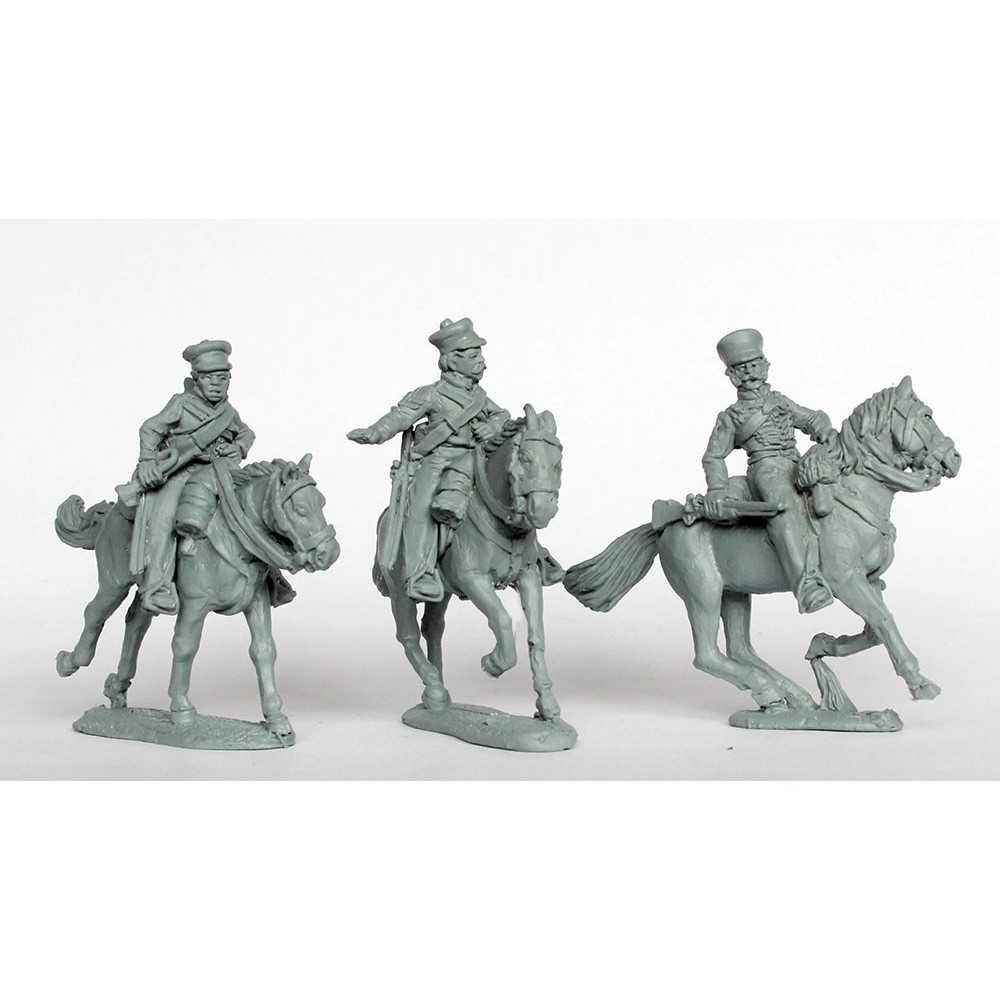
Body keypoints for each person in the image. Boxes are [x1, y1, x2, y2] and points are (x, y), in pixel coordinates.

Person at [349, 318, 510, 602]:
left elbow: (502, 416)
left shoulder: (479, 397)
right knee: (420, 509)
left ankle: (529, 557)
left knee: (516, 487)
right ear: (453, 360)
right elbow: (400, 416)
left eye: (481, 356)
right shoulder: (432, 394)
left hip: (476, 459)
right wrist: (375, 432)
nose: (482, 363)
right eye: (474, 356)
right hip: (439, 462)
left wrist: (493, 426)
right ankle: (419, 573)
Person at [702, 328, 834, 613]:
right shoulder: (732, 417)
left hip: (797, 464)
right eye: (741, 368)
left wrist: (824, 431)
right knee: (783, 508)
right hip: (767, 470)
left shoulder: (780, 401)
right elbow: (713, 456)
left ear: (765, 365)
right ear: (732, 375)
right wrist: (717, 489)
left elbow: (811, 418)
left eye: (753, 365)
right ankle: (806, 586)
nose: (749, 372)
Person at [125, 340, 254, 614]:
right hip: (183, 473)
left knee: (254, 509)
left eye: (223, 378)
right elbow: (150, 429)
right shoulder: (182, 405)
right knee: (164, 518)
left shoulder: (228, 412)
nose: (217, 384)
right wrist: (147, 460)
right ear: (196, 379)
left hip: (219, 474)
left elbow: (246, 433)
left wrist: (239, 447)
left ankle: (267, 576)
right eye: (209, 378)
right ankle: (158, 586)